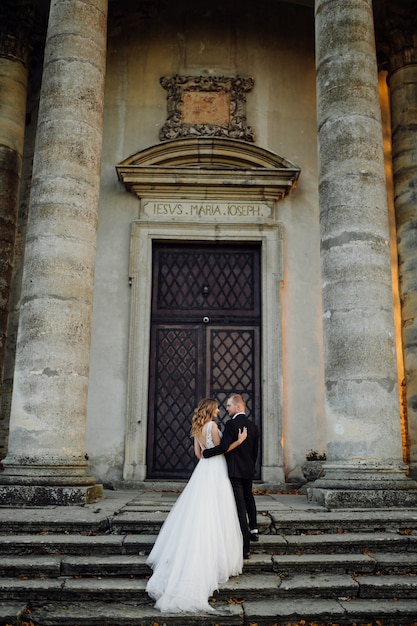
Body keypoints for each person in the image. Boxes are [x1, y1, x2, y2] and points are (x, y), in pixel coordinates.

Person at [146, 397, 247, 613]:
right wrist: (239, 442)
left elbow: (198, 454)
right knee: (218, 508)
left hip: (202, 470)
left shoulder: (197, 427)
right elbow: (221, 449)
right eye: (217, 407)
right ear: (211, 410)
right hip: (216, 469)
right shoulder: (212, 426)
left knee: (199, 508)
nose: (220, 409)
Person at [203, 393, 259, 559]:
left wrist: (207, 453)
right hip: (248, 470)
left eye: (228, 405)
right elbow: (255, 451)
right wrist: (250, 466)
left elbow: (224, 448)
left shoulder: (231, 424)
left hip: (234, 471)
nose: (226, 409)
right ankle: (254, 529)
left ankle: (245, 547)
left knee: (240, 508)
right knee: (249, 498)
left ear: (238, 406)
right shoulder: (253, 426)